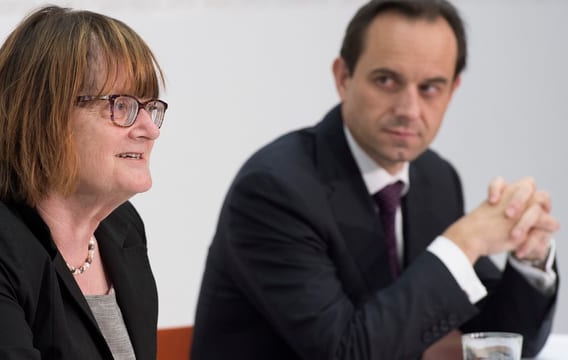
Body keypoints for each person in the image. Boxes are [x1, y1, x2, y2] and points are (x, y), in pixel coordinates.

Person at [191, 0, 559, 359]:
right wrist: (466, 241)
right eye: (386, 80)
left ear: (453, 90)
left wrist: (531, 257)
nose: (409, 110)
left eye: (430, 87)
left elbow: (501, 343)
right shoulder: (274, 190)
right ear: (343, 78)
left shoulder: (435, 178)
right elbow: (345, 351)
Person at [0, 6, 167, 359]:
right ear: (45, 114)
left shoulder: (121, 227)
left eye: (150, 107)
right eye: (122, 106)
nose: (150, 129)